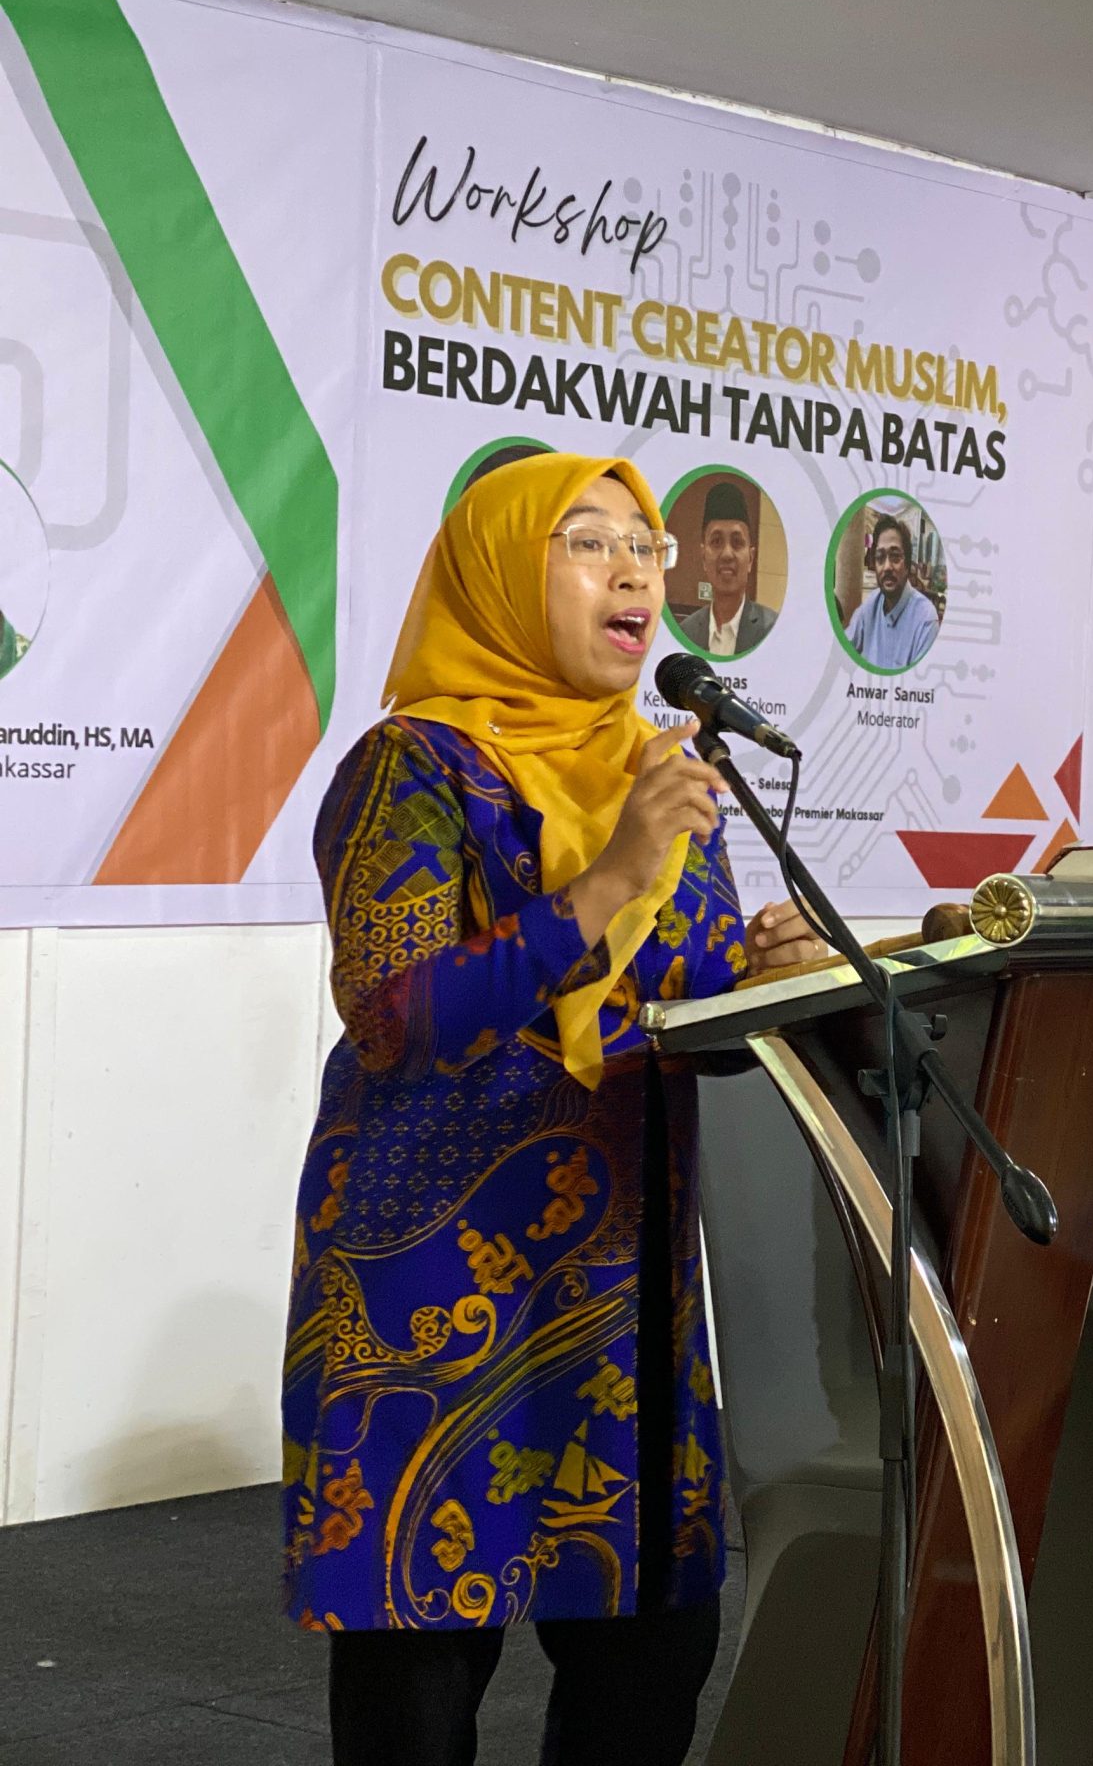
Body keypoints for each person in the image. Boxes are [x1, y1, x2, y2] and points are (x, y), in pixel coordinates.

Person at [282, 454, 828, 1765]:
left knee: (652, 1649)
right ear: (499, 577)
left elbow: (686, 1016)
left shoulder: (660, 769)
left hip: (620, 1281)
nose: (635, 569)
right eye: (588, 543)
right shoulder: (410, 768)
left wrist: (763, 979)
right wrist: (611, 875)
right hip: (430, 1284)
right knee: (421, 1662)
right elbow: (396, 1015)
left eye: (645, 545)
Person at [669, 476, 777, 657]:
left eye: (737, 542)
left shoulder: (772, 630)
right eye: (717, 542)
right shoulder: (686, 633)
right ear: (704, 557)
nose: (727, 554)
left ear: (750, 559)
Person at [839, 512, 939, 671]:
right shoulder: (871, 604)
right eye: (880, 557)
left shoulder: (925, 620)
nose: (887, 567)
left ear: (907, 565)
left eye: (895, 556)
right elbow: (842, 649)